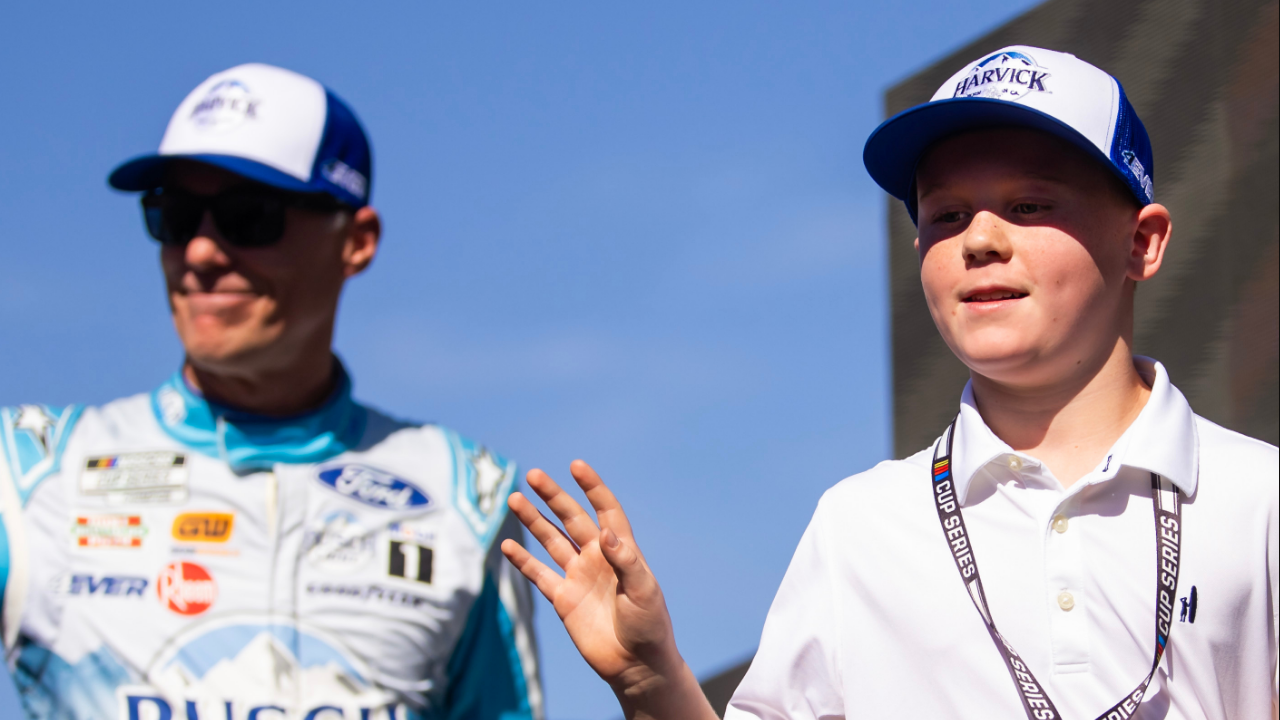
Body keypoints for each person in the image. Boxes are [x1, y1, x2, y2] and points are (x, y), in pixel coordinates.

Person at [500, 46, 1279, 719]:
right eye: (945, 216)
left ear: (1142, 242)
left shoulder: (1260, 499)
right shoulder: (859, 528)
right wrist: (650, 679)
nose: (979, 241)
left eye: (1028, 204)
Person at [0, 63, 543, 719]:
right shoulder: (27, 469)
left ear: (357, 241)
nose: (200, 253)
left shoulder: (467, 495)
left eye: (246, 217)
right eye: (173, 216)